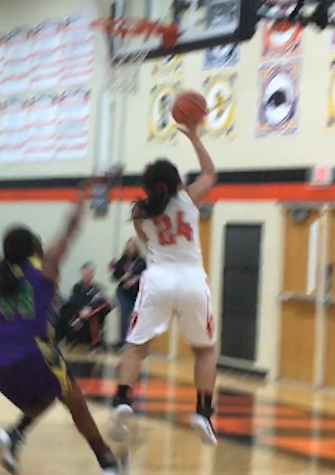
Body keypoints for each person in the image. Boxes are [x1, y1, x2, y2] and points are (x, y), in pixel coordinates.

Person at [0, 182, 121, 475]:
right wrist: (84, 194)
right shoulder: (45, 268)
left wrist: (6, 345)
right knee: (76, 402)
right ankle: (108, 463)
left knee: (49, 394)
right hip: (34, 352)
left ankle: (14, 434)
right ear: (32, 246)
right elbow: (68, 230)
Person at [109, 121, 219, 446]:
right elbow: (210, 174)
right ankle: (203, 411)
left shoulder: (140, 214)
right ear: (176, 182)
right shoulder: (188, 200)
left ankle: (123, 401)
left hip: (158, 279)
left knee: (136, 347)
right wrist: (195, 138)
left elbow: (147, 242)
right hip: (192, 280)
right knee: (205, 350)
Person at [55, 262, 112, 353]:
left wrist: (89, 308)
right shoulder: (77, 288)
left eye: (89, 273)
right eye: (85, 272)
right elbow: (74, 301)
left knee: (94, 316)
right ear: (81, 273)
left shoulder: (96, 288)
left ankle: (96, 345)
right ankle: (58, 340)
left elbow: (103, 301)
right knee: (64, 311)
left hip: (91, 314)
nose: (87, 275)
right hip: (78, 313)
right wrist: (81, 310)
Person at [109, 239, 146, 349]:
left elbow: (143, 273)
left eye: (132, 247)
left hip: (135, 293)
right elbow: (115, 277)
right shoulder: (122, 261)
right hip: (123, 292)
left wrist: (134, 277)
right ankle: (122, 341)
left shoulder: (140, 261)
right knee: (124, 316)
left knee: (133, 317)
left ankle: (132, 341)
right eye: (128, 247)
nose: (130, 249)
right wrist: (114, 271)